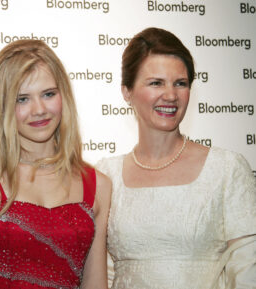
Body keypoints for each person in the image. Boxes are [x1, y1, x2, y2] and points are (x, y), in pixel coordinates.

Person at [97, 27, 256, 289]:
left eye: (180, 83)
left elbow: (248, 269)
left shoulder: (227, 169)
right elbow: (101, 273)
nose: (170, 95)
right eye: (156, 83)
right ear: (127, 92)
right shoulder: (106, 176)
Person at [0, 39, 112, 289]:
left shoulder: (98, 185)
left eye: (48, 94)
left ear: (63, 95)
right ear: (1, 106)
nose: (39, 109)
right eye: (22, 99)